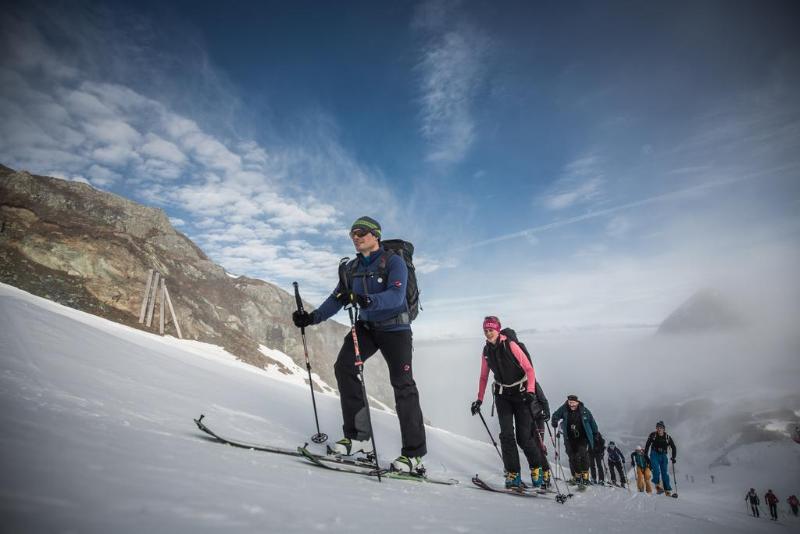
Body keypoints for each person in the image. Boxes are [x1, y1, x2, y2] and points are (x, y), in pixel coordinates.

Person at [291, 216, 426, 473]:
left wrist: (363, 299)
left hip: (395, 330)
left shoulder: (393, 262)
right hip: (366, 328)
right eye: (352, 233)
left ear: (375, 235)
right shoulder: (350, 268)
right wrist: (311, 318)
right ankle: (357, 439)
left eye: (361, 232)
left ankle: (414, 454)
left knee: (403, 386)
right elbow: (337, 298)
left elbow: (396, 297)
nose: (355, 236)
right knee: (345, 367)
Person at [471, 316, 546, 489]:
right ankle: (513, 475)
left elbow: (529, 369)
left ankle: (537, 469)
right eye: (486, 330)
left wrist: (530, 391)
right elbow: (483, 377)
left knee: (523, 438)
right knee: (506, 435)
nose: (488, 333)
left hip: (521, 395)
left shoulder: (510, 345)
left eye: (491, 330)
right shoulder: (486, 351)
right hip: (502, 395)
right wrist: (479, 399)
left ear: (498, 330)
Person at [551, 394, 598, 488]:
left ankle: (585, 477)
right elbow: (555, 415)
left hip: (582, 437)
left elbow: (592, 422)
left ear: (577, 402)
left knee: (583, 454)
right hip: (569, 438)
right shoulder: (564, 408)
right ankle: (577, 476)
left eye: (573, 403)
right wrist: (554, 421)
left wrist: (595, 433)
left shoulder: (584, 411)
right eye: (569, 403)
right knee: (573, 457)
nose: (571, 405)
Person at [529, 381, 552, 489]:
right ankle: (538, 472)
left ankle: (545, 472)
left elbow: (543, 399)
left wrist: (547, 413)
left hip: (538, 418)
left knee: (538, 446)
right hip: (526, 420)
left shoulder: (534, 384)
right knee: (530, 447)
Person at [644, 421, 677, 496]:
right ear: (656, 428)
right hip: (654, 454)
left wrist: (673, 457)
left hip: (663, 455)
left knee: (664, 473)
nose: (659, 429)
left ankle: (667, 490)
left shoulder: (667, 437)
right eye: (658, 427)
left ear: (664, 429)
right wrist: (646, 456)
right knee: (655, 469)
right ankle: (658, 486)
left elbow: (673, 447)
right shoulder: (653, 435)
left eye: (661, 427)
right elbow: (647, 445)